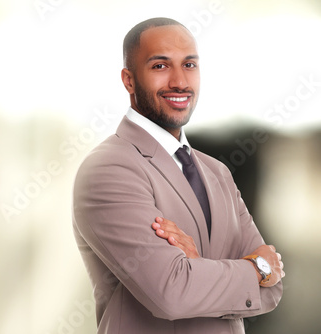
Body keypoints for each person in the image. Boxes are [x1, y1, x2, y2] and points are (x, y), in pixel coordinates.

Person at [72, 17, 284, 334]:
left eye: (189, 65)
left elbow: (273, 291)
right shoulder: (109, 168)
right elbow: (172, 293)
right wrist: (255, 268)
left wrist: (198, 269)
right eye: (160, 66)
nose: (179, 81)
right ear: (129, 80)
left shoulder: (217, 172)